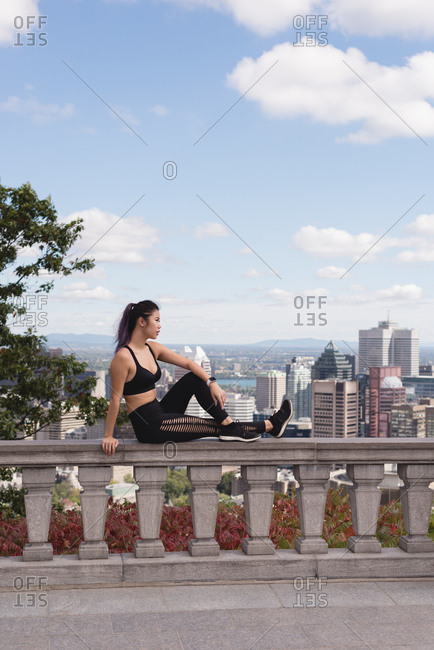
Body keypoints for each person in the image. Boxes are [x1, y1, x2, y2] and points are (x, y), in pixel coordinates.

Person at [102, 300, 292, 456]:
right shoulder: (123, 358)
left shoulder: (152, 348)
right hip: (149, 425)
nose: (160, 326)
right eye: (157, 320)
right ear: (141, 322)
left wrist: (212, 383)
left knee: (194, 378)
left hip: (160, 409)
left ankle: (253, 425)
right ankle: (269, 425)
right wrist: (108, 436)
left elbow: (189, 364)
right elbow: (115, 399)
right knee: (212, 427)